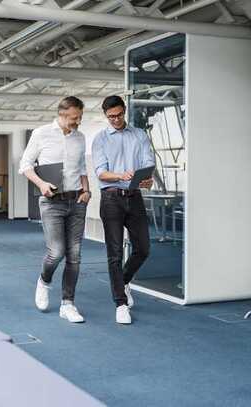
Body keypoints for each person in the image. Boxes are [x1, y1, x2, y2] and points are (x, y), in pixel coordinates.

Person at [19, 96, 91, 323]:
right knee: (56, 252)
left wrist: (87, 191)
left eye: (79, 117)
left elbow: (81, 167)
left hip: (77, 201)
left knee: (75, 255)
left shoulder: (80, 137)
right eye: (73, 118)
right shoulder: (41, 134)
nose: (77, 121)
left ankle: (68, 304)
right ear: (61, 114)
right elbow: (25, 166)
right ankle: (44, 281)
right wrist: (41, 184)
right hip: (52, 203)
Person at [91, 95, 155, 324]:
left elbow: (148, 166)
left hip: (134, 196)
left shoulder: (139, 135)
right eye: (111, 117)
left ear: (124, 111)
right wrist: (121, 175)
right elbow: (100, 172)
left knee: (143, 249)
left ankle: (124, 281)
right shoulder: (100, 139)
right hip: (111, 199)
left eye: (118, 115)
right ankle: (120, 303)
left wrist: (148, 180)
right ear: (105, 116)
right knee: (115, 254)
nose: (115, 120)